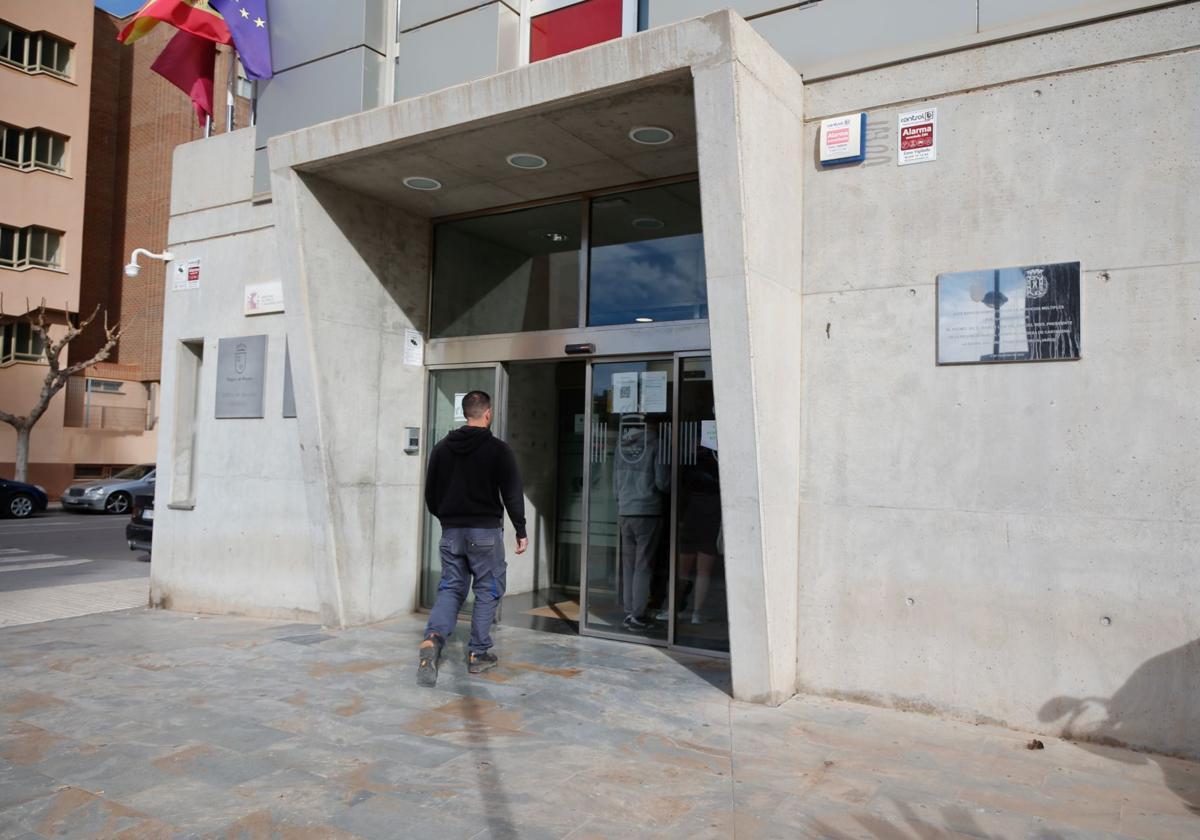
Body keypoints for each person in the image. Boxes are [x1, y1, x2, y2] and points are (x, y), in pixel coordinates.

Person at [419, 390, 527, 687]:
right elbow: (513, 494)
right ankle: (478, 653)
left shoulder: (442, 448)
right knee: (487, 589)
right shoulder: (498, 449)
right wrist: (521, 530)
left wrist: (447, 519)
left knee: (451, 588)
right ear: (487, 413)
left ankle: (432, 638)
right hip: (484, 533)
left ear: (465, 412)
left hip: (451, 532)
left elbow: (431, 494)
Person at [613, 415, 669, 632]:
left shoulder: (622, 445)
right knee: (643, 565)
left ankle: (629, 610)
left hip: (625, 510)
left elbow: (615, 483)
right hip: (647, 511)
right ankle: (638, 615)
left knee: (628, 565)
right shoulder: (657, 443)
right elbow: (662, 482)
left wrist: (622, 500)